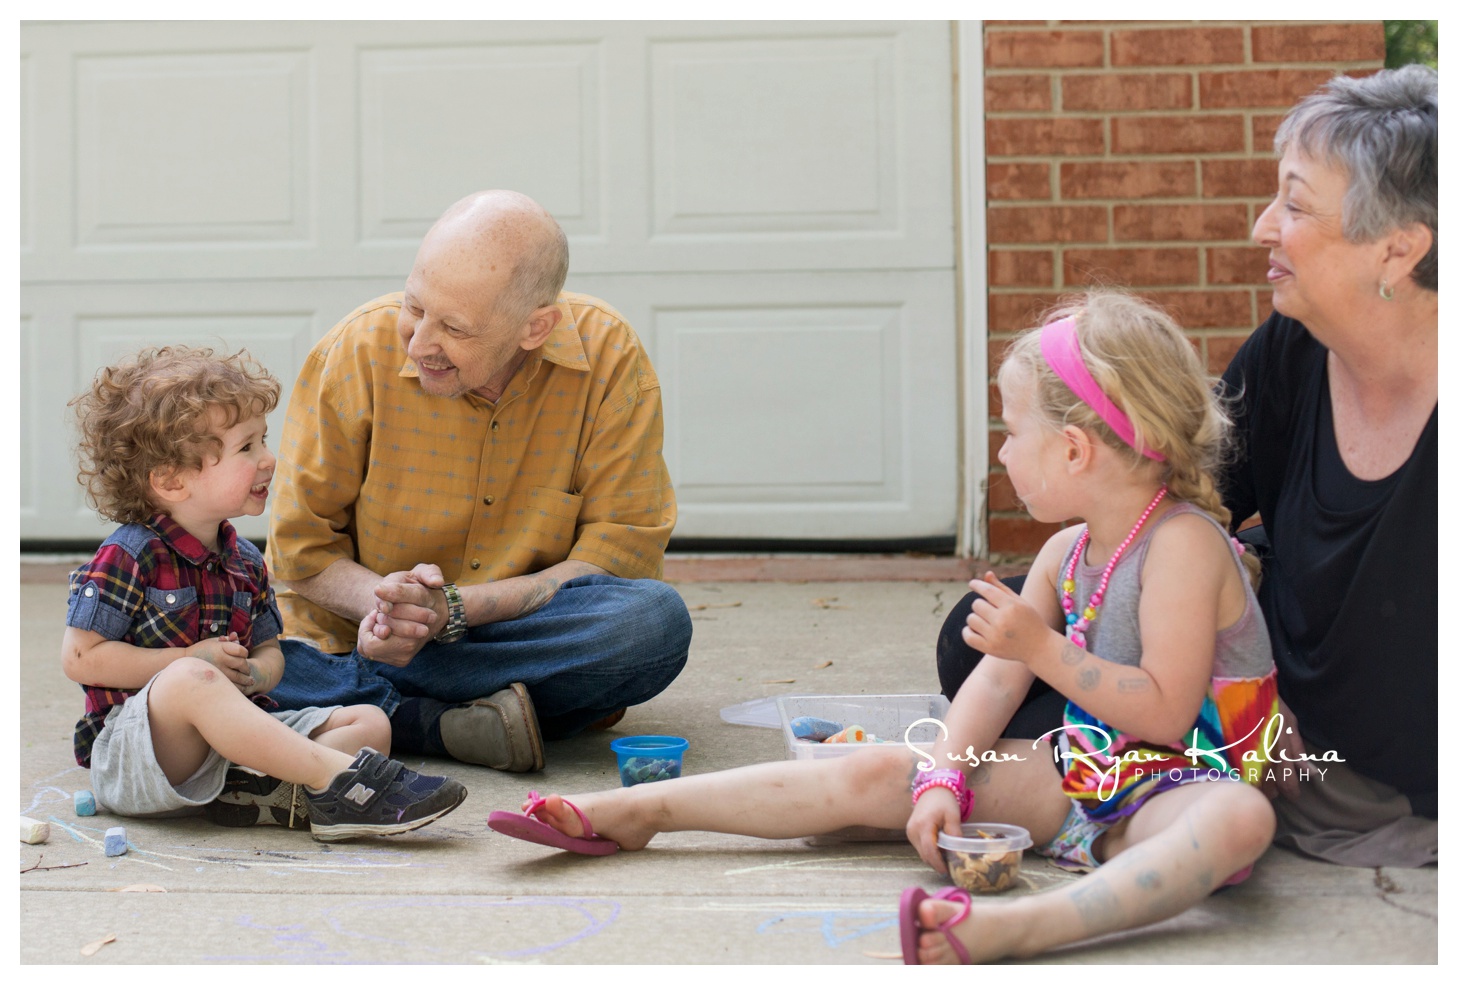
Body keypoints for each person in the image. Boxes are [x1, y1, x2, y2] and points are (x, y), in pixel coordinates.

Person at [487, 292, 1280, 965]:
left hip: (1192, 782)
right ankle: (638, 813)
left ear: (1074, 449)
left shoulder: (1180, 546)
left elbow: (1168, 713)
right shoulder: (1066, 551)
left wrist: (1042, 648)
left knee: (1240, 820)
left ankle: (1017, 927)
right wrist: (942, 776)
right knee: (882, 768)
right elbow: (998, 683)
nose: (1004, 452)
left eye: (1013, 430)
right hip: (1094, 775)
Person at [938, 66, 1438, 868]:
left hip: (1373, 762)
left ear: (1399, 247)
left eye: (1296, 203)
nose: (1262, 226)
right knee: (980, 643)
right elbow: (1171, 491)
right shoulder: (1293, 351)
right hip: (1240, 706)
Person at [263, 190, 692, 773]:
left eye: (454, 328)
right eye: (414, 307)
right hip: (365, 636)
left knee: (653, 624)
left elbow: (618, 557)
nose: (417, 345)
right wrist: (394, 610)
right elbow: (300, 551)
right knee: (221, 642)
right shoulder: (353, 354)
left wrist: (453, 611)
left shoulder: (610, 358)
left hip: (514, 635)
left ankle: (372, 707)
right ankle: (454, 722)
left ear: (534, 327)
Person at [62, 346, 467, 842]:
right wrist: (191, 659)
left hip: (232, 741)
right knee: (189, 676)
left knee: (370, 724)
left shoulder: (246, 561)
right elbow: (82, 657)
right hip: (140, 754)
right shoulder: (130, 553)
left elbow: (269, 650)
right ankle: (335, 784)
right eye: (246, 448)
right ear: (170, 479)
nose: (268, 460)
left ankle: (255, 793)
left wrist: (255, 672)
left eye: (263, 441)